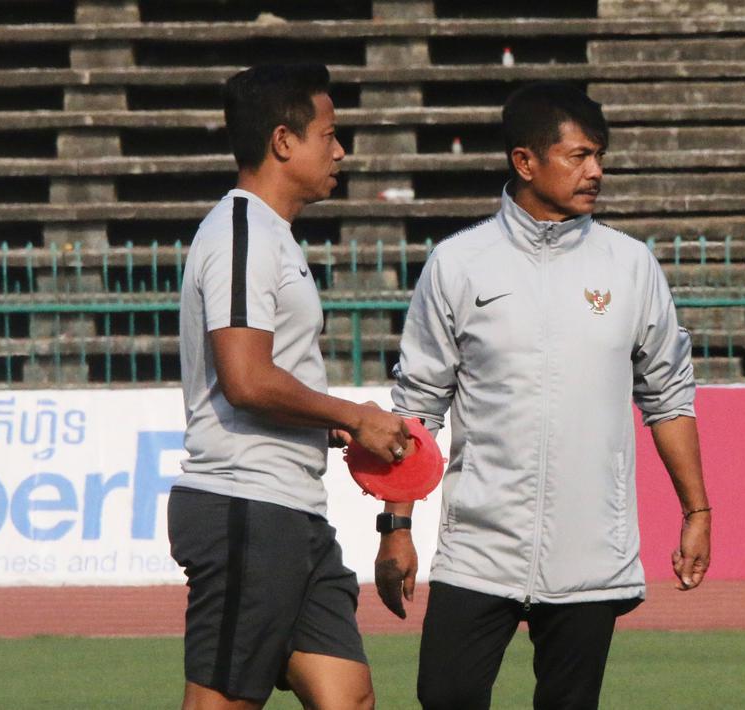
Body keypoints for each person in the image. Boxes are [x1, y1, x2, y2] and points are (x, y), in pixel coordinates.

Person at [378, 81, 712, 709]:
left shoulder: (630, 265)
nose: (596, 172)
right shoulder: (457, 264)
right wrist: (395, 527)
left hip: (590, 549)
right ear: (525, 162)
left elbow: (669, 396)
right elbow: (417, 408)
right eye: (579, 156)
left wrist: (697, 512)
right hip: (479, 544)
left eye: (600, 157)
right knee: (444, 696)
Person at [170, 63, 411, 710]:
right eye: (328, 134)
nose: (340, 150)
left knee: (347, 697)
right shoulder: (241, 234)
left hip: (290, 510)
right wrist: (351, 415)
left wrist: (324, 422)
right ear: (283, 142)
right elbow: (245, 378)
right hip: (244, 505)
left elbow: (267, 378)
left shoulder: (271, 236)